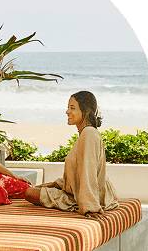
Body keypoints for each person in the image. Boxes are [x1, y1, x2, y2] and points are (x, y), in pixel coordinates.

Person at [23, 91, 118, 219]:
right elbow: (78, 171)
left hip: (90, 195)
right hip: (82, 191)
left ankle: (83, 203)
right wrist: (56, 184)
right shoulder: (86, 132)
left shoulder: (89, 133)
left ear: (87, 110)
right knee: (31, 190)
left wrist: (90, 207)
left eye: (72, 108)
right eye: (68, 107)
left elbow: (88, 172)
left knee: (29, 193)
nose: (67, 111)